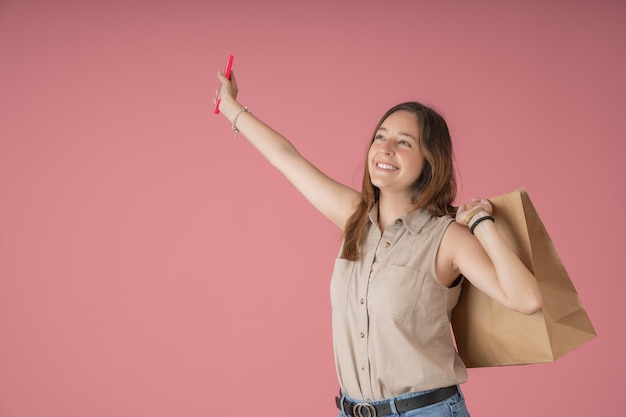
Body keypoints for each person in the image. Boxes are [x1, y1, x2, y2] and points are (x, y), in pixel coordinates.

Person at [214, 68, 543, 417]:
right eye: (380, 137)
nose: (385, 149)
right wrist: (231, 107)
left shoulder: (447, 238)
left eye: (404, 142)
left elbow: (527, 299)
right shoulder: (355, 216)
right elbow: (287, 157)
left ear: (431, 159)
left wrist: (481, 222)